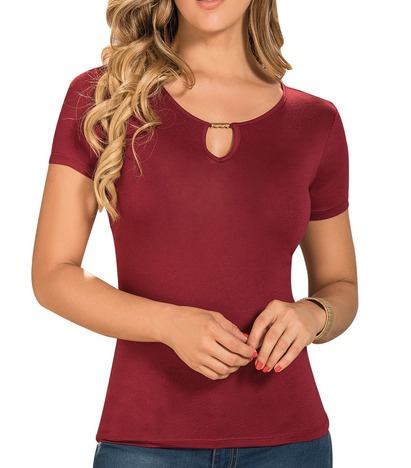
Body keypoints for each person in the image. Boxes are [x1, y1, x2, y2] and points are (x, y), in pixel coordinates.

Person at [32, 0, 358, 466]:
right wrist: (167, 324)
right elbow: (52, 275)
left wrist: (312, 315)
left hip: (291, 445)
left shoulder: (315, 122)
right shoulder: (102, 97)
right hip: (145, 444)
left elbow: (341, 285)